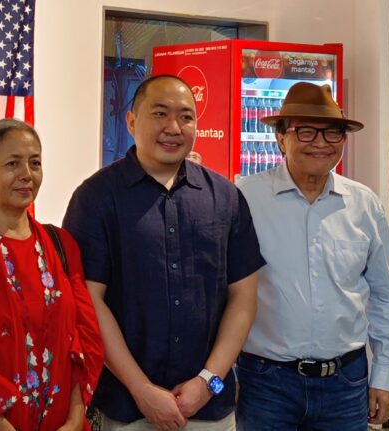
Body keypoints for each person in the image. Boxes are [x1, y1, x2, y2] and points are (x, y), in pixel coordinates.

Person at [63, 74, 265, 430]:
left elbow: (244, 298)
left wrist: (209, 382)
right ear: (131, 122)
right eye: (159, 114)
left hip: (210, 408)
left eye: (186, 117)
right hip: (126, 408)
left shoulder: (225, 197)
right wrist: (140, 389)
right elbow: (89, 302)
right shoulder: (95, 198)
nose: (173, 127)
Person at [235, 82, 389, 430]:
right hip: (265, 383)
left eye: (333, 133)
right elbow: (219, 294)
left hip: (346, 383)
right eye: (306, 131)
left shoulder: (363, 204)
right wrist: (223, 374)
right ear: (281, 138)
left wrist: (384, 375)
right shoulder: (245, 199)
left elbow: (388, 295)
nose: (321, 143)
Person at [0, 118, 104, 431]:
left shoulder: (62, 245)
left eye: (34, 163)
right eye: (13, 163)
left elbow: (84, 340)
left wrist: (74, 419)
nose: (27, 174)